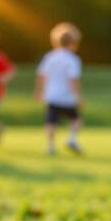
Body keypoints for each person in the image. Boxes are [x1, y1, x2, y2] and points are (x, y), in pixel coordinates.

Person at [35, 22, 84, 155]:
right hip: (67, 97)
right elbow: (73, 79)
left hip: (51, 96)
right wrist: (78, 97)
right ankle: (71, 139)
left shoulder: (50, 57)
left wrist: (39, 92)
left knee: (51, 123)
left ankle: (50, 146)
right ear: (72, 43)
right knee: (77, 119)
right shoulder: (73, 59)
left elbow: (41, 75)